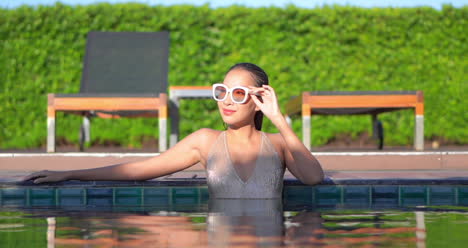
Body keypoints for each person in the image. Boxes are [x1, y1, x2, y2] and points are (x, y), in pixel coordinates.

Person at [24, 63, 324, 198]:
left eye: (239, 94)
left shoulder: (278, 143)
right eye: (222, 92)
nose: (227, 102)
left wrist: (279, 119)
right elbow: (139, 169)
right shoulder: (205, 142)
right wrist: (69, 174)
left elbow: (313, 177)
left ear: (258, 100)